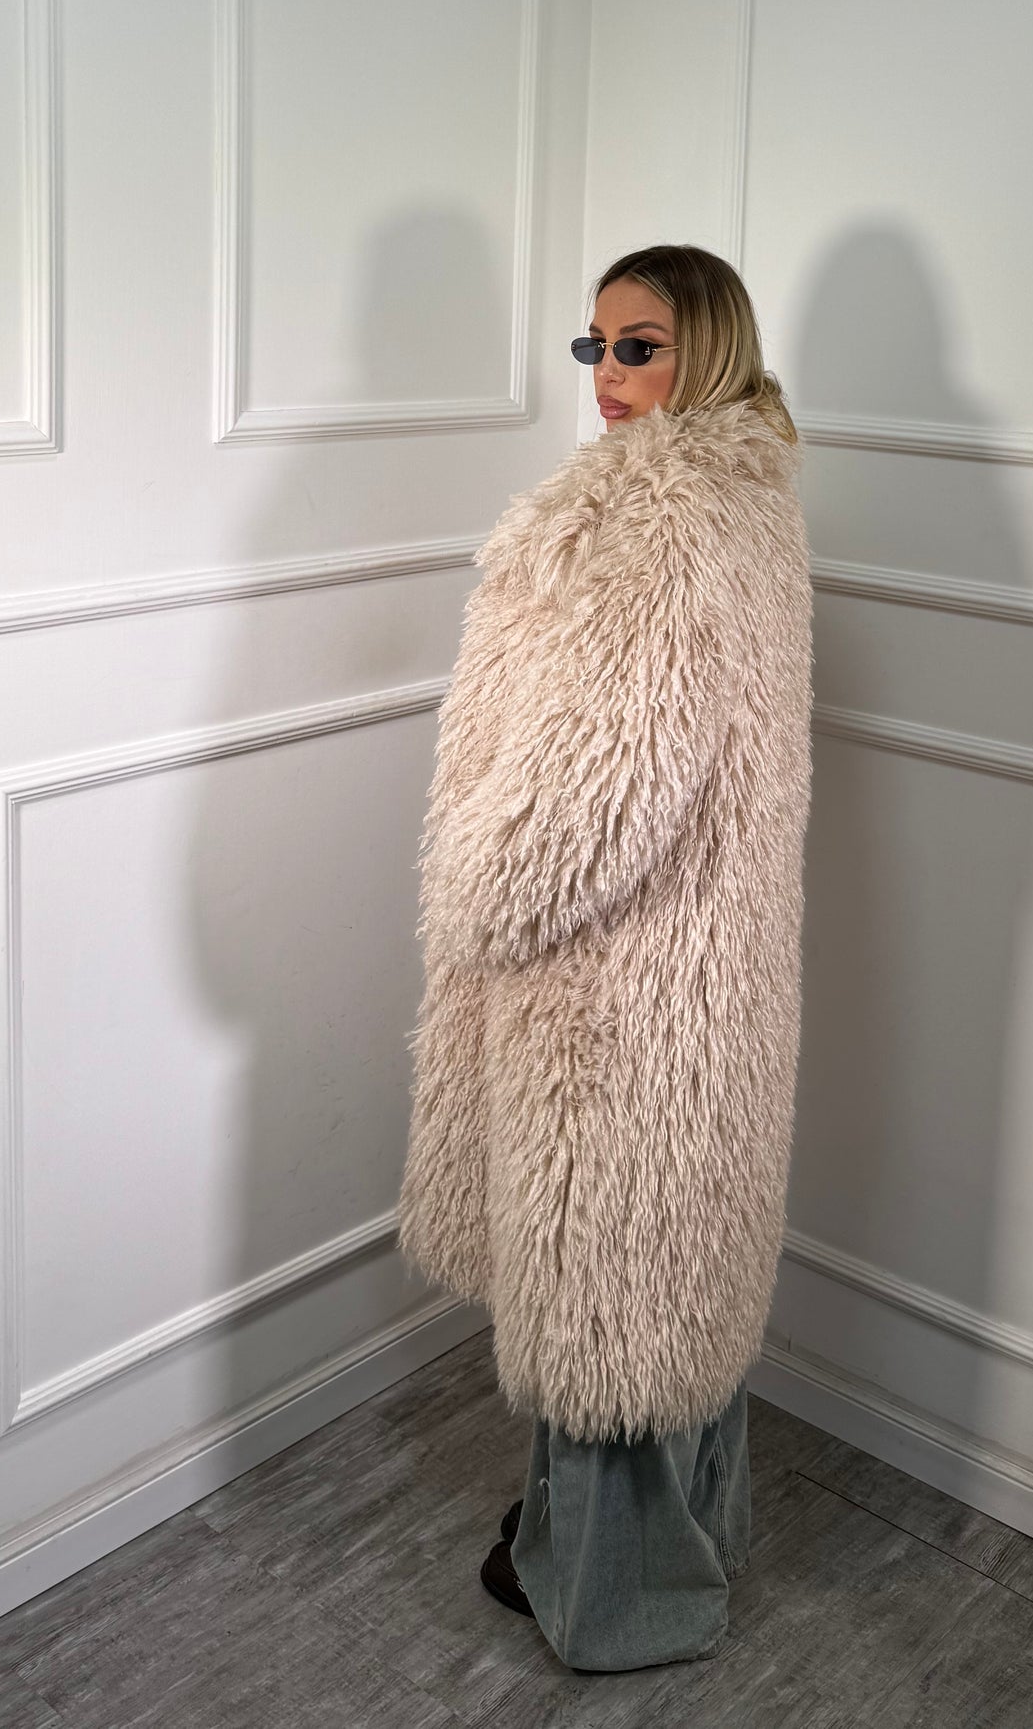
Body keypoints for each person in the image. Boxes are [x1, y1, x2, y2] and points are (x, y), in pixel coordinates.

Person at [397, 242, 815, 1672]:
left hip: (620, 978)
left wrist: (479, 894)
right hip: (697, 964)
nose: (608, 377)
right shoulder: (745, 494)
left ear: (708, 347)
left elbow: (608, 781)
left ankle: (620, 1600)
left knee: (609, 1300)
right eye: (594, 348)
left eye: (639, 347)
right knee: (667, 1283)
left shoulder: (667, 517)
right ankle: (677, 1541)